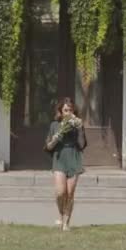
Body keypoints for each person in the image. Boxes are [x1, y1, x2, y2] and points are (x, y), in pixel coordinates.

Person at [44, 97, 87, 231]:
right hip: (59, 158)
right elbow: (49, 147)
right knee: (60, 193)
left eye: (70, 110)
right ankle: (61, 214)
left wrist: (80, 129)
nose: (68, 112)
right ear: (61, 112)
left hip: (73, 157)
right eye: (65, 110)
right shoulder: (54, 125)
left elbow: (81, 144)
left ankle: (66, 223)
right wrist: (56, 138)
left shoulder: (77, 125)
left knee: (70, 193)